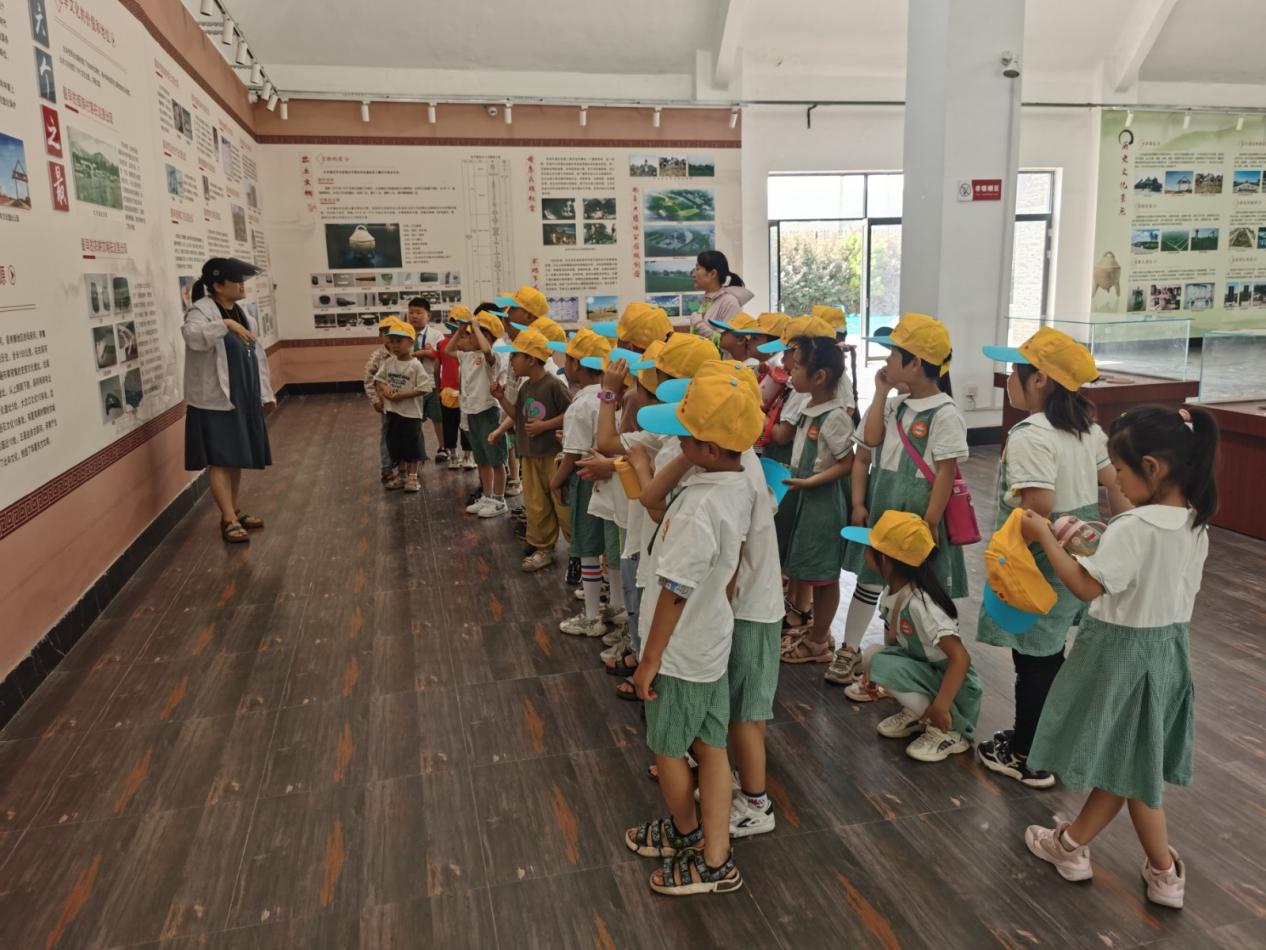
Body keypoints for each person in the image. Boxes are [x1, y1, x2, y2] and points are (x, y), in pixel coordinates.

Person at [1019, 406, 1218, 911]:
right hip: (1169, 655)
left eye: (1121, 469)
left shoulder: (1133, 526)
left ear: (1152, 467)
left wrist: (1044, 535)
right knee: (1131, 762)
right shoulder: (1195, 523)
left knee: (1130, 768)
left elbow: (1086, 587)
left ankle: (1092, 852)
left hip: (1120, 656)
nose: (1117, 481)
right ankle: (1138, 864)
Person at [623, 368, 763, 896]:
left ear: (708, 448)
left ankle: (689, 835)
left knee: (667, 747)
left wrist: (649, 660)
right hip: (709, 642)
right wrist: (691, 452)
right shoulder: (735, 482)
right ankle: (716, 854)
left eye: (686, 435)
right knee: (711, 747)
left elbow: (675, 591)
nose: (677, 441)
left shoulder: (701, 507)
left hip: (679, 653)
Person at [975, 328, 1130, 788]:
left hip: (1041, 558)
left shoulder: (1030, 434)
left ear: (1039, 378)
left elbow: (1038, 505)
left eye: (1014, 370)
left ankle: (1028, 755)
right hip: (1079, 553)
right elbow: (1116, 485)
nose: (1009, 379)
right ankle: (1048, 740)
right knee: (1051, 650)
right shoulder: (1087, 429)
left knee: (1034, 659)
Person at [837, 313, 968, 689]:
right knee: (871, 578)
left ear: (915, 363)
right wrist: (880, 393)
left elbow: (945, 473)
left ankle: (913, 665)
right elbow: (869, 443)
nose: (887, 360)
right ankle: (851, 649)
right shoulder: (893, 405)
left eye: (893, 354)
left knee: (915, 592)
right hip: (884, 505)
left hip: (918, 515)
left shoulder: (945, 413)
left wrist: (930, 522)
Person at [842, 511, 982, 761]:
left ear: (884, 559)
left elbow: (960, 658)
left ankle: (949, 730)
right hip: (927, 671)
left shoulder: (921, 605)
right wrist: (875, 677)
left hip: (955, 689)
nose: (865, 552)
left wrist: (941, 706)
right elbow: (895, 645)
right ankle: (918, 714)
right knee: (874, 657)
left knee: (881, 662)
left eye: (869, 547)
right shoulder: (894, 591)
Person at [774, 331, 856, 665]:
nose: (790, 370)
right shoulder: (810, 407)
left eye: (797, 366)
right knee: (808, 567)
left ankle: (819, 642)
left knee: (824, 575)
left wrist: (811, 482)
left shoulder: (834, 417)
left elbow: (847, 463)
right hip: (804, 498)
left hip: (822, 503)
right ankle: (814, 630)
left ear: (819, 376)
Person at [182, 257, 274, 544]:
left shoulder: (243, 313)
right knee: (221, 459)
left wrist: (265, 393)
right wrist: (224, 325)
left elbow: (256, 356)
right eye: (236, 280)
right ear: (218, 285)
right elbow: (192, 336)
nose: (241, 285)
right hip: (216, 399)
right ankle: (228, 519)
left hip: (243, 396)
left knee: (236, 457)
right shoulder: (202, 310)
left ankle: (234, 510)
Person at [549, 328, 614, 637]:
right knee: (611, 547)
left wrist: (555, 482)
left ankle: (591, 616)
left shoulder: (580, 405)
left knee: (587, 548)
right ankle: (615, 606)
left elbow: (573, 455)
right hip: (613, 478)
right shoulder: (611, 396)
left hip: (587, 480)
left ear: (576, 364)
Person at [491, 328, 572, 571]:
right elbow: (518, 416)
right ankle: (543, 548)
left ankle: (580, 552)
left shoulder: (554, 385)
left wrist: (544, 426)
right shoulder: (526, 387)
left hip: (553, 457)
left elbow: (570, 414)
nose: (511, 361)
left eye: (515, 355)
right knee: (536, 505)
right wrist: (501, 398)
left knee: (564, 505)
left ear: (531, 359)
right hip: (529, 455)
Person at [452, 306, 510, 517]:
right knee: (482, 459)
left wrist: (476, 327)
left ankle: (499, 500)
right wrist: (461, 329)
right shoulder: (468, 354)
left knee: (496, 459)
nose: (468, 337)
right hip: (472, 412)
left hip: (488, 411)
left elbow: (487, 350)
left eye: (472, 334)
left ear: (486, 336)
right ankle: (487, 495)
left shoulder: (492, 355)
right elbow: (449, 350)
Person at [374, 322, 431, 492]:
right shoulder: (389, 362)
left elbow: (425, 387)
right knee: (396, 445)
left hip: (411, 414)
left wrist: (402, 395)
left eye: (399, 341)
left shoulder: (415, 365)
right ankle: (401, 476)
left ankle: (412, 478)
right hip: (393, 412)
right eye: (392, 341)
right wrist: (385, 390)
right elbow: (380, 379)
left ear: (411, 342)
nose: (395, 345)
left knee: (412, 447)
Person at [364, 316, 404, 485]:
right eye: (385, 333)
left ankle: (405, 468)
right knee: (387, 434)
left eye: (392, 332)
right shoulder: (378, 356)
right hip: (386, 405)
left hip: (405, 403)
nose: (388, 337)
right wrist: (374, 400)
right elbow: (368, 379)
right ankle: (387, 468)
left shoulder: (405, 353)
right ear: (380, 336)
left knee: (406, 434)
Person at [407, 298, 447, 462]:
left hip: (432, 384)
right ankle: (418, 451)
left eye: (419, 313)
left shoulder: (436, 335)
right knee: (414, 420)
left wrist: (426, 353)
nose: (414, 316)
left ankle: (443, 448)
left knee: (438, 418)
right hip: (411, 386)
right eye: (411, 312)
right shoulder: (404, 334)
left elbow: (443, 356)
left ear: (428, 315)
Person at [436, 306, 473, 470]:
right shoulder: (445, 344)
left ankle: (460, 456)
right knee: (457, 425)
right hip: (454, 392)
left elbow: (436, 368)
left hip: (459, 392)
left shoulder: (466, 344)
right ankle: (460, 456)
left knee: (458, 425)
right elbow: (436, 366)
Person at [690, 250, 753, 336]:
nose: (693, 274)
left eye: (698, 269)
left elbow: (728, 340)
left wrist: (698, 323)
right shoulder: (708, 300)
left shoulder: (729, 302)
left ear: (712, 274)